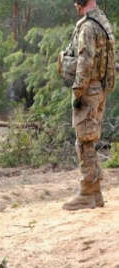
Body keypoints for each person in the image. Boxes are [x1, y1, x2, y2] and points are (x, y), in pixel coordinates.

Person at [58, 0, 115, 210]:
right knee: (88, 139)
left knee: (84, 142)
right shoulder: (102, 22)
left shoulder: (88, 26)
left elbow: (85, 62)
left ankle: (88, 193)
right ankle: (95, 193)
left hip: (89, 90)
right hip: (98, 88)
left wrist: (77, 91)